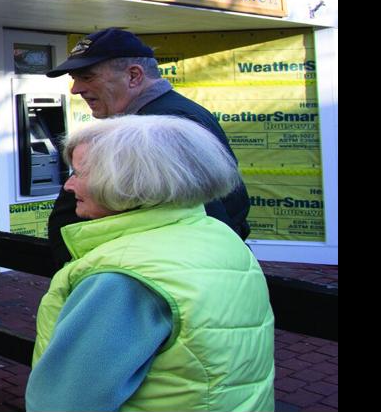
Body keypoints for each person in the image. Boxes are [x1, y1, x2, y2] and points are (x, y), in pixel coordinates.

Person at [26, 116, 275, 412]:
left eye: (79, 173)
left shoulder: (122, 277)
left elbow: (63, 401)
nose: (68, 185)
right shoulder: (218, 236)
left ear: (126, 181)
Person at [43, 27, 251, 270]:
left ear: (133, 75)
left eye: (87, 77)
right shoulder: (157, 118)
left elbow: (206, 214)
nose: (75, 89)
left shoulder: (162, 125)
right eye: (74, 78)